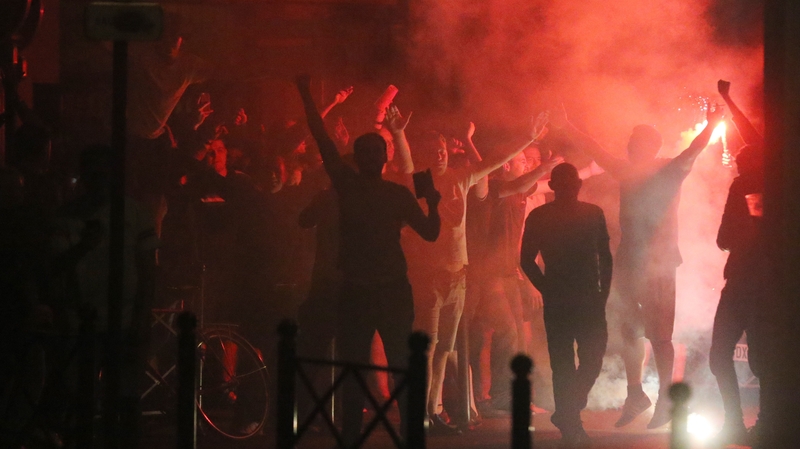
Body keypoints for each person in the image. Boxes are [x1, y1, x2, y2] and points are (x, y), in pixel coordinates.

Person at [549, 103, 725, 428]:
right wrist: (569, 124)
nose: (629, 146)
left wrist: (712, 125)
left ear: (650, 146)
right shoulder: (626, 171)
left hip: (659, 265)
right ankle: (635, 394)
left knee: (660, 336)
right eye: (630, 141)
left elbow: (694, 150)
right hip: (630, 262)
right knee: (629, 329)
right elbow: (597, 151)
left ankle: (666, 402)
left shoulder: (669, 169)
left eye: (635, 141)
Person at [296, 75, 441, 445]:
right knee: (360, 367)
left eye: (377, 152)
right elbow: (322, 138)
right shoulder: (353, 185)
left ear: (383, 156)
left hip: (388, 288)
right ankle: (355, 435)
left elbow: (429, 233)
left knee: (394, 366)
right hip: (361, 289)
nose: (373, 158)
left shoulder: (394, 194)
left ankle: (404, 435)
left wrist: (435, 204)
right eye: (368, 152)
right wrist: (306, 94)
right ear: (360, 159)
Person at [404, 116, 547, 431]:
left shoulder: (461, 178)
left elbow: (493, 164)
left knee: (445, 349)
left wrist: (527, 136)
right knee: (431, 348)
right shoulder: (417, 181)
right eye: (433, 150)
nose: (440, 153)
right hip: (429, 275)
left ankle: (435, 411)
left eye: (441, 148)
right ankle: (425, 412)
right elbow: (404, 166)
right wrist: (398, 133)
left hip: (460, 276)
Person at [520, 163, 612, 445]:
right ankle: (571, 423)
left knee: (588, 359)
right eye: (567, 182)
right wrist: (548, 289)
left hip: (580, 298)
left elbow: (606, 257)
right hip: (573, 298)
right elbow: (526, 260)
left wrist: (602, 294)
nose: (571, 187)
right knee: (567, 363)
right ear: (557, 186)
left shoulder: (591, 213)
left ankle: (568, 411)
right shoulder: (543, 215)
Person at [710, 79, 766, 445]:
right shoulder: (769, 180)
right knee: (765, 360)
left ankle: (740, 420)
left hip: (749, 284)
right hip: (765, 284)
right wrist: (728, 98)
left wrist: (728, 98)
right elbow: (752, 134)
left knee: (721, 355)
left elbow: (722, 239)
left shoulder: (743, 185)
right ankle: (762, 420)